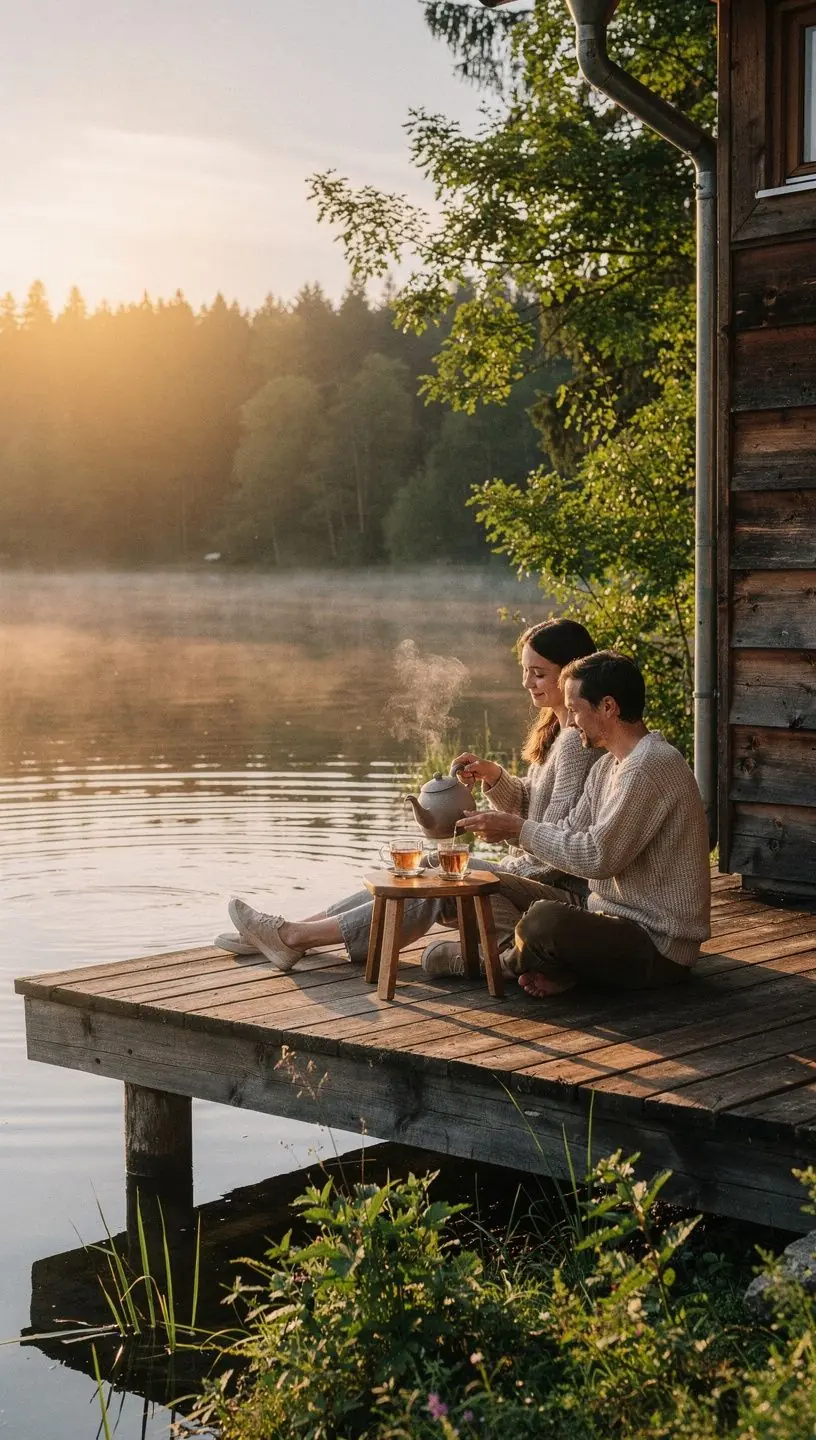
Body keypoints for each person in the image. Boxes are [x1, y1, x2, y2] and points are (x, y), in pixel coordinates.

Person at [216, 618, 600, 972]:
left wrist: (509, 829)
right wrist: (496, 777)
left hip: (554, 891)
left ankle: (292, 936)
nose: (527, 683)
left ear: (570, 674)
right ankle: (296, 931)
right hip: (529, 874)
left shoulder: (575, 742)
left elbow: (559, 837)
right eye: (524, 671)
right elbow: (540, 804)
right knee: (432, 862)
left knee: (447, 875)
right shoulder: (556, 731)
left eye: (538, 674)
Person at [457, 651, 711, 998]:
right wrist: (513, 830)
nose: (571, 722)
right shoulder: (607, 767)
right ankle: (551, 967)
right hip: (607, 923)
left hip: (657, 946)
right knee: (479, 881)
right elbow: (569, 834)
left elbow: (597, 857)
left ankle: (490, 963)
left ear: (608, 706)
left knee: (542, 921)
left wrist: (519, 830)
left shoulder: (651, 766)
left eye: (575, 710)